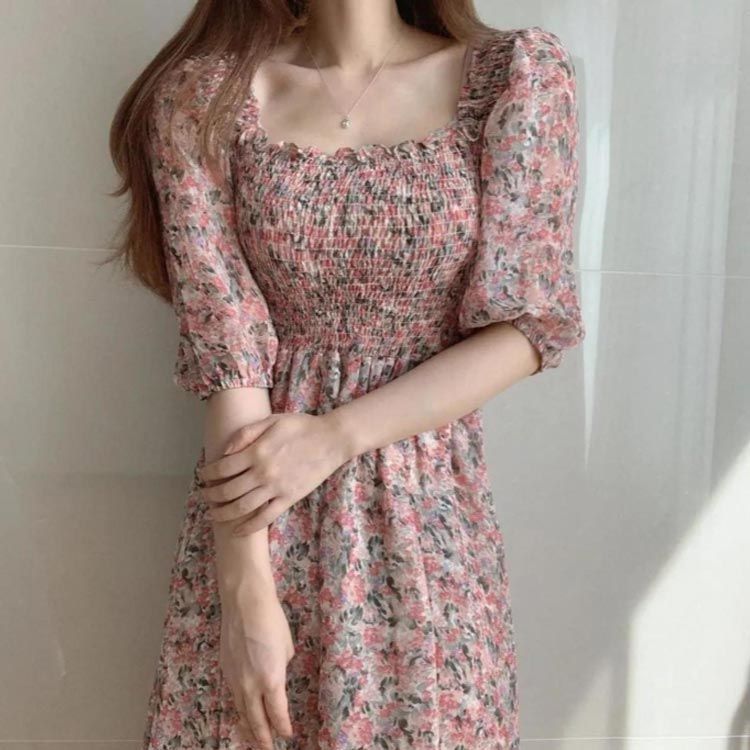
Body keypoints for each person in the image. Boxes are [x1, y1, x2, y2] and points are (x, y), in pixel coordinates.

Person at [108, 1, 585, 748]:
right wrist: (243, 589)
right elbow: (227, 348)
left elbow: (529, 325)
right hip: (261, 517)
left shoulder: (515, 76)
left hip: (428, 532)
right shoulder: (204, 97)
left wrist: (334, 437)